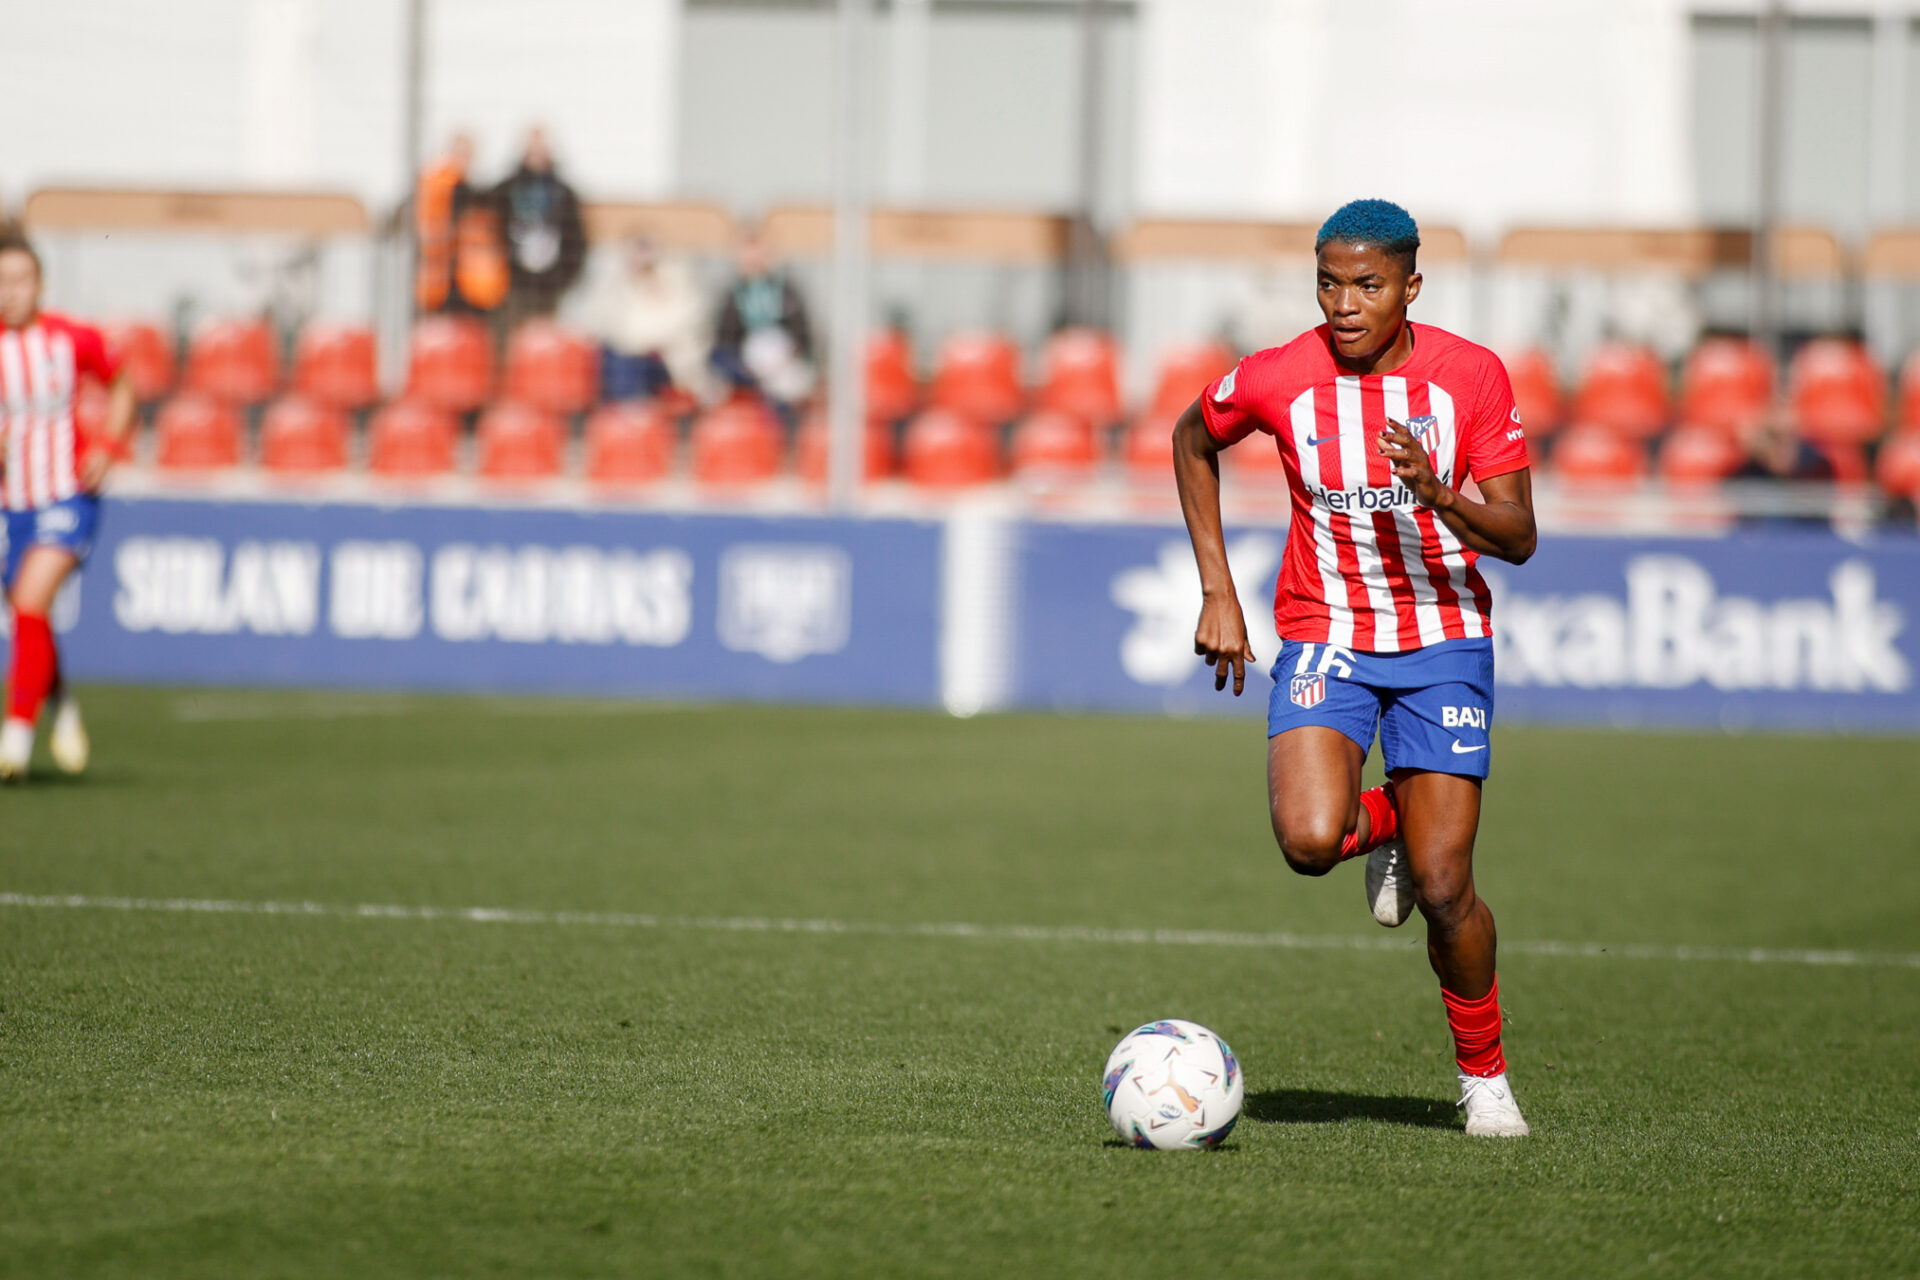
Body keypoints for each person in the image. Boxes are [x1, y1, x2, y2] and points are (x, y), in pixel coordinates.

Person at [1172, 199, 1538, 1137]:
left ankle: (1485, 1078)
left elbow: (1521, 537)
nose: (1345, 303)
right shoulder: (1282, 374)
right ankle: (1387, 824)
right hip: (1326, 630)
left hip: (1443, 638)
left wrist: (1438, 493)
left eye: (1367, 284)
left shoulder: (1472, 378)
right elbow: (1191, 436)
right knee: (1304, 842)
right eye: (1330, 282)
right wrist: (1219, 587)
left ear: (1410, 288)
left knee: (1446, 886)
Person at [0, 230, 137, 782]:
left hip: (67, 494)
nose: (8, 292)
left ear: (40, 284)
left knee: (31, 600)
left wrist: (108, 442)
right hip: (12, 504)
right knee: (31, 616)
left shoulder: (69, 339)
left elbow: (122, 381)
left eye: (18, 280)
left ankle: (15, 738)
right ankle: (63, 703)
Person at [588, 235, 713, 403]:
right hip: (632, 357)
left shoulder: (678, 279)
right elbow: (610, 328)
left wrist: (653, 339)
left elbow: (687, 322)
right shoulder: (619, 286)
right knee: (615, 361)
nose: (643, 256)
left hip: (672, 360)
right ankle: (630, 417)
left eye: (646, 248)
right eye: (637, 249)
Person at [711, 226, 816, 420]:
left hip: (783, 365)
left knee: (789, 386)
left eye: (758, 250)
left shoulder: (786, 290)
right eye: (747, 251)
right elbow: (723, 339)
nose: (753, 257)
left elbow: (802, 334)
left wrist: (782, 362)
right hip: (744, 367)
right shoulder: (732, 294)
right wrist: (744, 368)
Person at [494, 126, 588, 329]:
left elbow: (577, 239)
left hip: (551, 285)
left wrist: (564, 278)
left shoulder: (563, 193)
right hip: (513, 285)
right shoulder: (506, 191)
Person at [414, 131, 509, 319]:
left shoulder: (478, 190)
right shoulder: (436, 184)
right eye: (459, 152)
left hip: (474, 283)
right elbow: (429, 229)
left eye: (467, 153)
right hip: (440, 280)